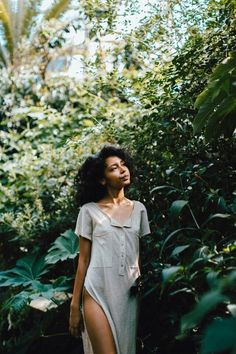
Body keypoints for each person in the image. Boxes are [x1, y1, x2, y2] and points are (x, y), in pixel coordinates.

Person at [69, 145, 150, 354]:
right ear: (102, 179)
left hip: (128, 293)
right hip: (96, 290)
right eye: (114, 168)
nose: (123, 170)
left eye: (123, 165)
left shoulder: (139, 209)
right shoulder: (89, 211)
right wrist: (74, 307)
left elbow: (138, 255)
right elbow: (83, 261)